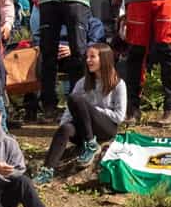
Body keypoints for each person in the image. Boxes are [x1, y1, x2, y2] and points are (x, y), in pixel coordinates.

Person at [50, 41, 127, 170]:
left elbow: (119, 117)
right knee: (65, 128)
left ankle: (91, 145)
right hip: (85, 131)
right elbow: (70, 110)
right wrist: (63, 124)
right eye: (87, 57)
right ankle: (47, 170)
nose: (88, 60)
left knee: (77, 99)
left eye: (92, 57)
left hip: (105, 129)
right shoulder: (82, 83)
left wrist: (92, 110)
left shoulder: (118, 84)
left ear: (104, 59)